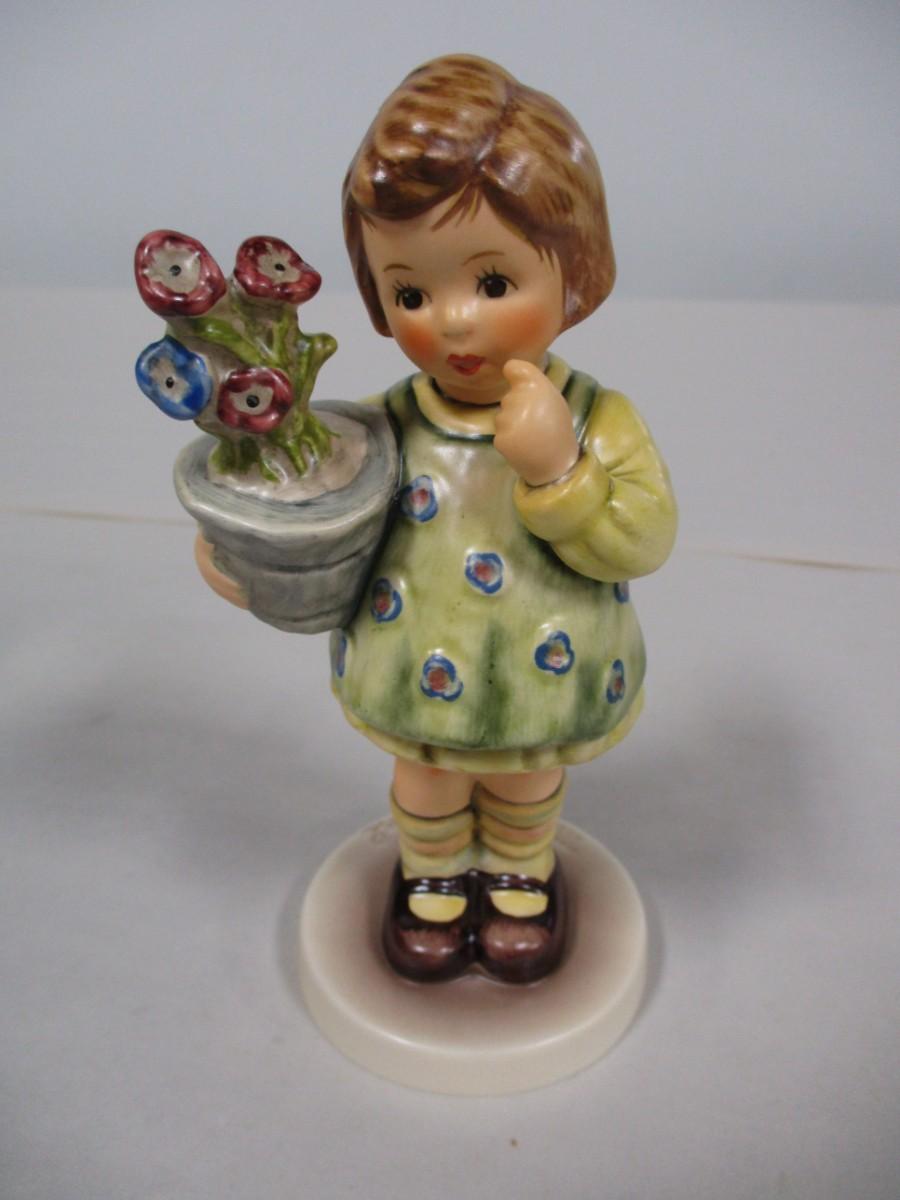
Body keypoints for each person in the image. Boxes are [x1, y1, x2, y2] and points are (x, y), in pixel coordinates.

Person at [198, 54, 677, 984]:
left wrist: (562, 471)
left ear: (575, 269)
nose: (453, 322)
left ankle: (521, 874)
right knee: (424, 778)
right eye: (412, 293)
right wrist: (255, 552)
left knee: (528, 776)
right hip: (417, 669)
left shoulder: (596, 418)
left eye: (492, 283)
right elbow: (325, 507)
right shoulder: (386, 424)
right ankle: (432, 878)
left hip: (546, 670)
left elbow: (646, 538)